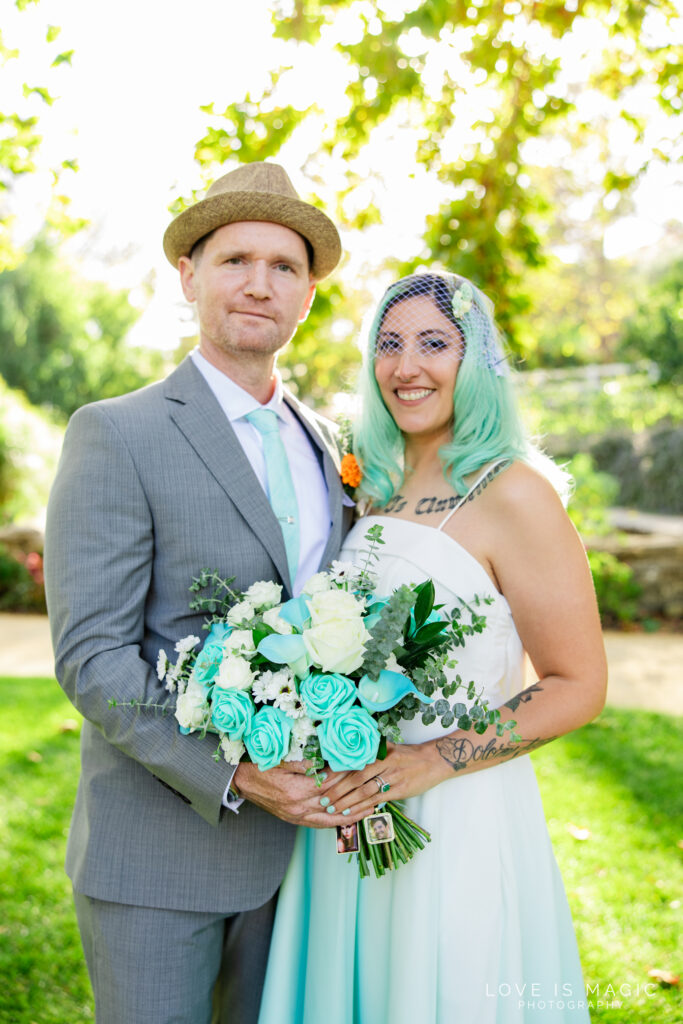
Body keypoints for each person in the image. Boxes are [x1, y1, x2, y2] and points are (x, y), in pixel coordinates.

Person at [44, 161, 358, 1024]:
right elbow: (91, 656)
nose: (259, 284)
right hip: (159, 859)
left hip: (306, 865)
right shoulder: (117, 432)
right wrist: (239, 776)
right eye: (234, 260)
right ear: (188, 276)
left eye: (285, 267)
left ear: (307, 295)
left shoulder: (331, 444)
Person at [258, 270, 608, 1023]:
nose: (405, 366)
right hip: (348, 816)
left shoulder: (514, 492)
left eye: (432, 343)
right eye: (387, 344)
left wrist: (429, 761)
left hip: (455, 815)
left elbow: (577, 684)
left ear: (474, 360)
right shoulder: (376, 483)